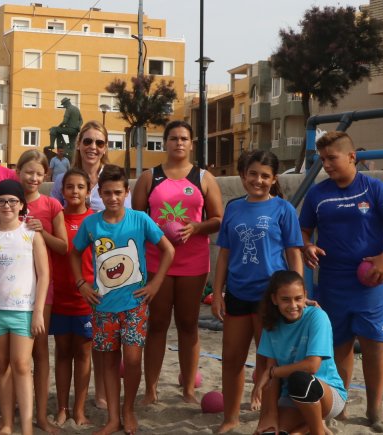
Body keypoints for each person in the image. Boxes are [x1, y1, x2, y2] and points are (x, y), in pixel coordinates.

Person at [301, 132, 383, 433]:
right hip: (332, 281)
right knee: (339, 345)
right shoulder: (317, 194)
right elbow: (303, 230)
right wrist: (307, 246)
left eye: (332, 158)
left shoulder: (374, 188)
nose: (326, 165)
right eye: (322, 160)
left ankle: (375, 408)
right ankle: (341, 405)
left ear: (352, 157)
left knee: (374, 345)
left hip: (371, 281)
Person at [69, 165, 175, 435]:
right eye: (107, 193)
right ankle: (113, 418)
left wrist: (155, 284)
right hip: (103, 306)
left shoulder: (140, 219)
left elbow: (168, 250)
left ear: (127, 192)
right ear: (99, 194)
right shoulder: (91, 224)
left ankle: (128, 410)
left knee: (132, 360)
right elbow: (74, 253)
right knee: (108, 362)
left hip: (135, 304)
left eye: (118, 192)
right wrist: (81, 284)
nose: (113, 198)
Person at [131, 120, 224, 405]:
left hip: (193, 261)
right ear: (165, 143)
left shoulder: (204, 178)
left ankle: (188, 391)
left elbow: (218, 219)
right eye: (173, 138)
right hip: (156, 260)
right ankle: (151, 390)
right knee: (157, 324)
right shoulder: (149, 177)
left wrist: (196, 227)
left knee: (188, 324)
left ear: (191, 144)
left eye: (184, 138)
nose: (179, 143)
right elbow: (135, 220)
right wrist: (156, 232)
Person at [212, 149, 304, 435]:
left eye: (265, 176)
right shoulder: (233, 208)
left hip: (271, 296)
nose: (258, 180)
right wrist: (217, 292)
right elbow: (224, 254)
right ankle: (231, 417)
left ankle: (268, 416)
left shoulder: (283, 209)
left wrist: (298, 294)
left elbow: (293, 253)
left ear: (274, 179)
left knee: (267, 361)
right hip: (238, 293)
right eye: (253, 174)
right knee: (232, 358)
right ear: (243, 175)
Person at [0, 179, 50, 435]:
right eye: (2, 201)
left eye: (13, 201)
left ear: (22, 205)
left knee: (22, 365)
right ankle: (6, 422)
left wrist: (38, 312)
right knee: (1, 366)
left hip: (24, 311)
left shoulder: (32, 234)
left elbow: (44, 275)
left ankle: (26, 426)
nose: (7, 205)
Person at [255, 270, 348, 435]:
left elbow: (311, 366)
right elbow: (270, 378)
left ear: (305, 295)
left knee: (300, 380)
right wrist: (270, 416)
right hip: (290, 396)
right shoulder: (271, 323)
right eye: (285, 299)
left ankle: (317, 430)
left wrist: (272, 372)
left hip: (327, 393)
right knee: (271, 432)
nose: (293, 305)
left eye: (298, 298)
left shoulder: (317, 317)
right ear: (274, 299)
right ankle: (307, 427)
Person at [18, 149, 67, 434]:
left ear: (46, 174)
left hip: (41, 285)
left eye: (39, 173)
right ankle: (16, 408)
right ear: (19, 172)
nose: (34, 178)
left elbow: (63, 246)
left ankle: (41, 414)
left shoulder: (51, 205)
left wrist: (42, 232)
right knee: (14, 355)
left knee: (39, 349)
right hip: (10, 288)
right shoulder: (7, 200)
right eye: (29, 172)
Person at [51, 168, 96, 428]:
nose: (75, 191)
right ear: (62, 190)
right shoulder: (56, 218)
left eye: (80, 186)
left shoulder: (96, 220)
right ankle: (62, 408)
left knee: (83, 354)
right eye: (70, 187)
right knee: (62, 352)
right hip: (59, 297)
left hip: (86, 300)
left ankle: (79, 409)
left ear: (88, 191)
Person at [52, 121, 111, 212]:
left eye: (99, 143)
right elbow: (52, 213)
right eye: (87, 141)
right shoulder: (62, 180)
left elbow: (125, 215)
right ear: (78, 144)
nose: (93, 147)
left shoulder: (114, 180)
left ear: (105, 149)